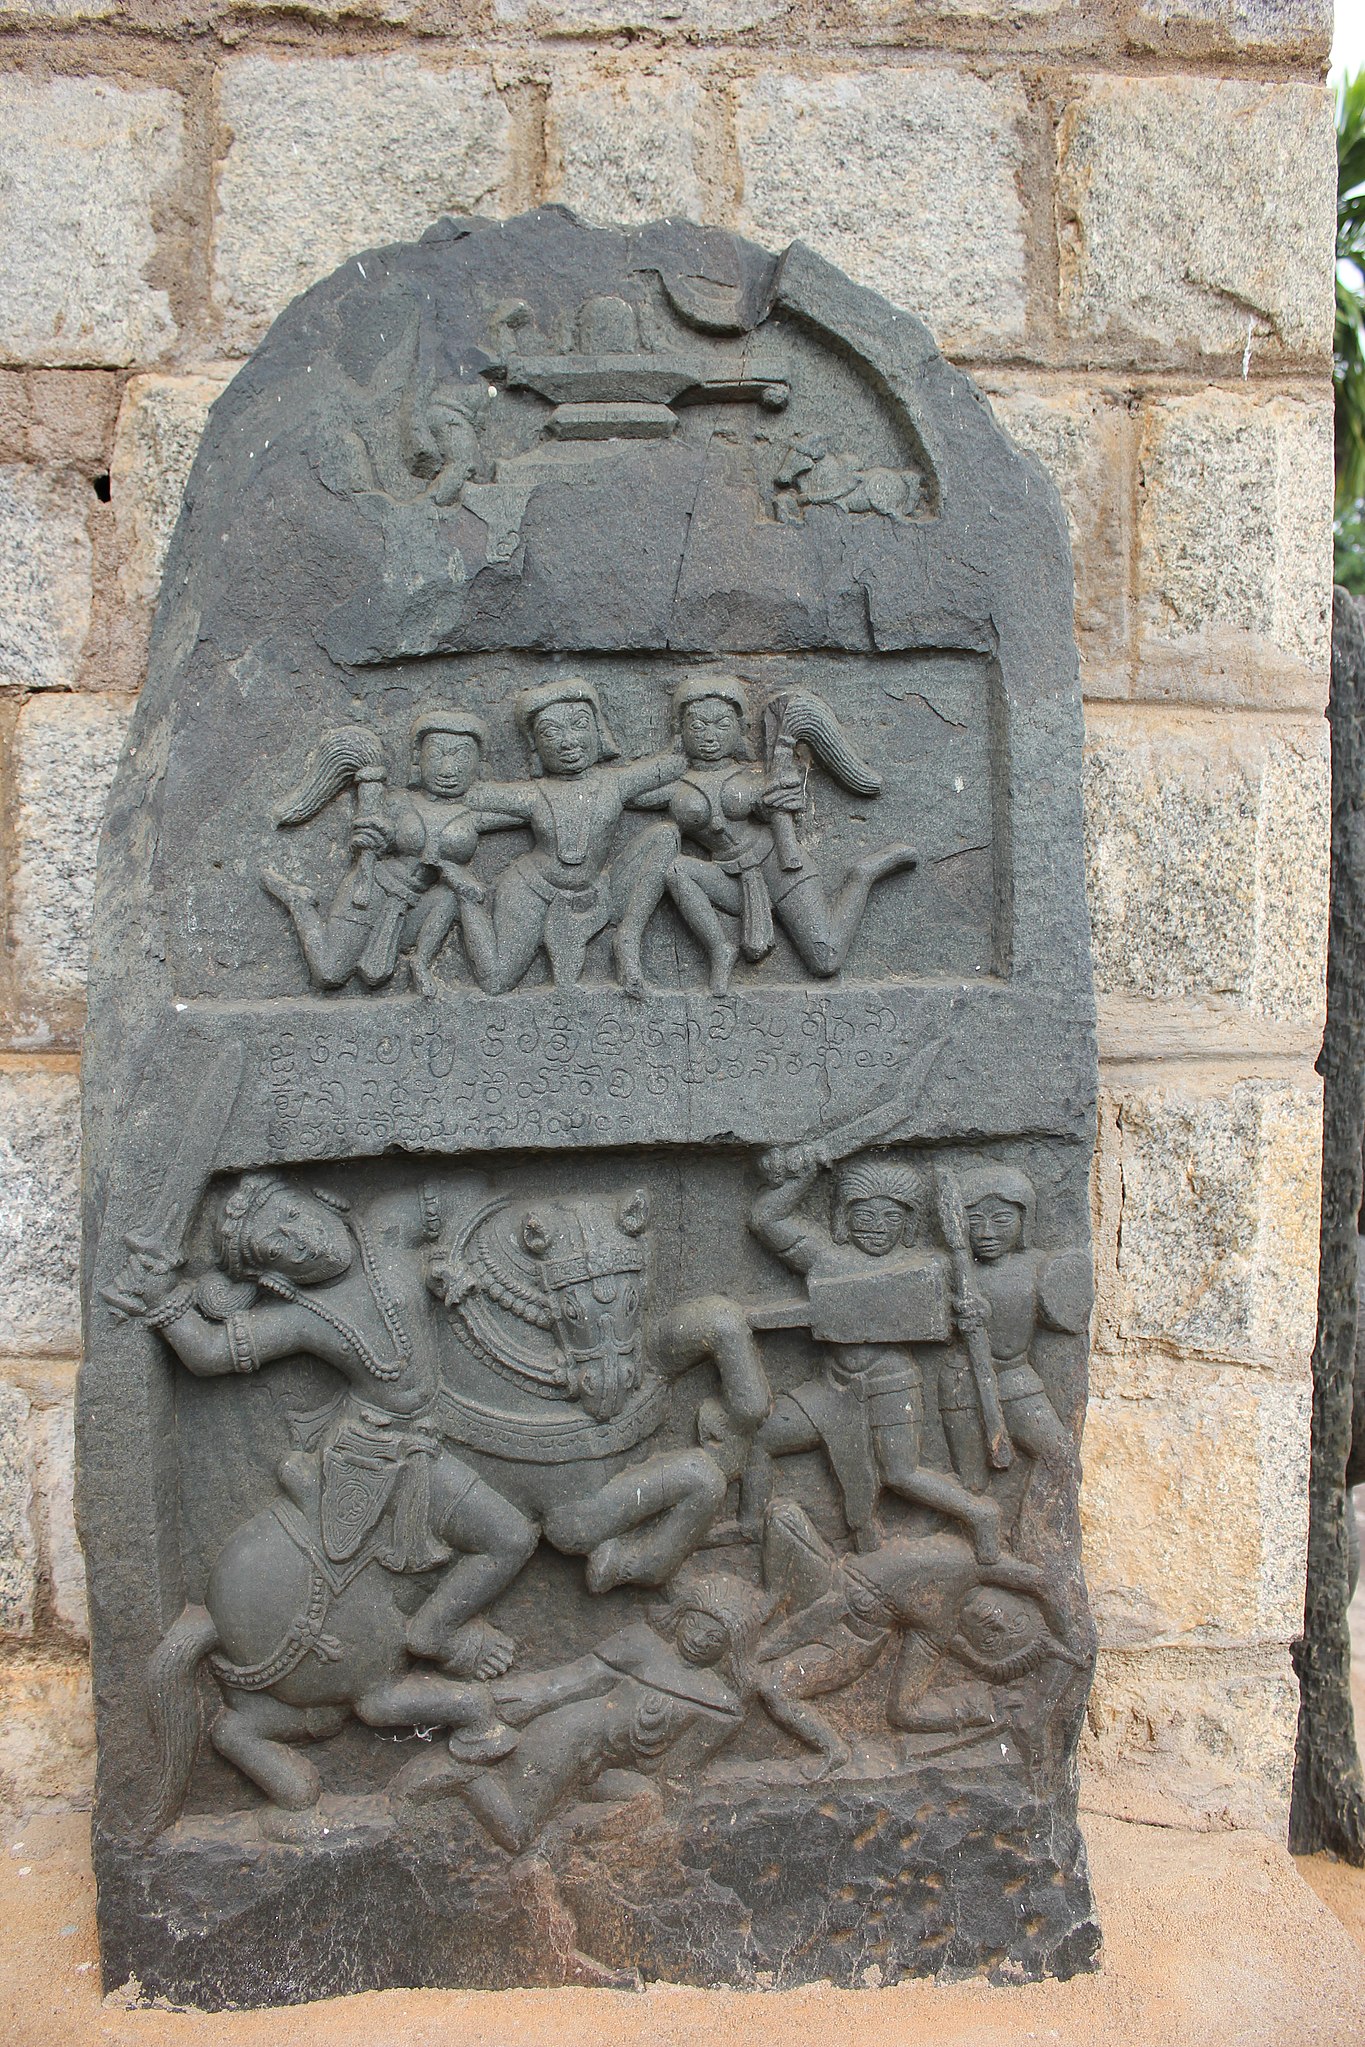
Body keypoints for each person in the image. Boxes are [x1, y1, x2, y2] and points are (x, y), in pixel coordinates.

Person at [110, 1170, 538, 1673]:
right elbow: (207, 1353)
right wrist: (163, 1299)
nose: (302, 1237)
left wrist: (451, 1260)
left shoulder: (387, 1225)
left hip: (450, 1416)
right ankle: (435, 1632)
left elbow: (470, 1195)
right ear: (276, 1278)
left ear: (318, 1200)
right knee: (510, 1538)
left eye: (293, 1215)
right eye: (278, 1246)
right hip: (388, 1449)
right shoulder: (306, 1315)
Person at [744, 1149, 1001, 1561]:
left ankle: (978, 1514)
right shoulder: (827, 1259)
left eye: (891, 1218)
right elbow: (765, 1221)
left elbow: (972, 1303)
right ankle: (749, 1530)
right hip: (832, 1386)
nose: (878, 1229)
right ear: (844, 1218)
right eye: (865, 1217)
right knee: (761, 1439)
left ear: (909, 1223)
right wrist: (805, 1174)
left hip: (891, 1383)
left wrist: (974, 1312)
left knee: (901, 1474)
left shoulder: (928, 1264)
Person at [396, 1573, 765, 1844]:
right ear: (681, 1614)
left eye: (715, 1637)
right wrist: (503, 1699)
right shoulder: (640, 1644)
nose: (699, 1639)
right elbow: (567, 1682)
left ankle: (562, 1841)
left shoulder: (721, 1707)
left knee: (646, 1801)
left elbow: (676, 1776)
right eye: (697, 1623)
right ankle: (466, 1778)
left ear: (730, 1649)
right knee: (516, 1835)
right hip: (568, 1735)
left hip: (602, 1766)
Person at [614, 674, 917, 999]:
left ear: (740, 728)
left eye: (721, 725)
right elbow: (624, 794)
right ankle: (719, 949)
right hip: (730, 877)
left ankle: (865, 874)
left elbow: (776, 799)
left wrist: (782, 795)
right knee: (675, 870)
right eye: (697, 726)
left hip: (779, 866)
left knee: (826, 959)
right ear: (681, 729)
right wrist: (670, 762)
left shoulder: (750, 776)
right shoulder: (676, 787)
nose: (709, 737)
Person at [753, 1500, 1088, 1778]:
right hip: (828, 1579)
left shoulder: (935, 1632)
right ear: (1014, 1596)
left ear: (973, 1645)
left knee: (776, 1688)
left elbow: (904, 1710)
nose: (995, 1621)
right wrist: (1071, 1636)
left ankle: (833, 1749)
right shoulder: (975, 1561)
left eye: (993, 1639)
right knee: (783, 1516)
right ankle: (771, 1599)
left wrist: (972, 1712)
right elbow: (1043, 1582)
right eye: (1015, 1619)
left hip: (849, 1641)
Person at [262, 709, 521, 995]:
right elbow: (375, 831)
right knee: (330, 972)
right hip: (373, 889)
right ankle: (299, 902)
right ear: (417, 761)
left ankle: (420, 963)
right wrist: (371, 834)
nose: (448, 769)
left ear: (478, 765)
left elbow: (532, 809)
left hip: (415, 903)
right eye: (435, 755)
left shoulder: (474, 813)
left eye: (461, 756)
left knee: (452, 896)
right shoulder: (399, 803)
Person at [460, 675, 684, 990]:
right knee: (496, 982)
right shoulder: (533, 794)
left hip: (597, 891)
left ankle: (628, 939)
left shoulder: (614, 784)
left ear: (599, 732)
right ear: (535, 748)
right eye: (550, 732)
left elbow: (673, 768)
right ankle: (461, 901)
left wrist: (692, 732)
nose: (568, 742)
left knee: (664, 835)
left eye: (579, 725)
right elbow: (473, 798)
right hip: (532, 889)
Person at [936, 1166, 1091, 1575]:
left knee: (1058, 1455)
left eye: (1002, 1219)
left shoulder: (1038, 1267)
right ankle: (977, 1562)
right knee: (971, 1483)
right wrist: (954, 1320)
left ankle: (1034, 1538)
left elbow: (1067, 1318)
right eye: (974, 1219)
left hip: (1016, 1377)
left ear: (1025, 1222)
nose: (986, 1230)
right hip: (962, 1380)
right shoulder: (948, 1270)